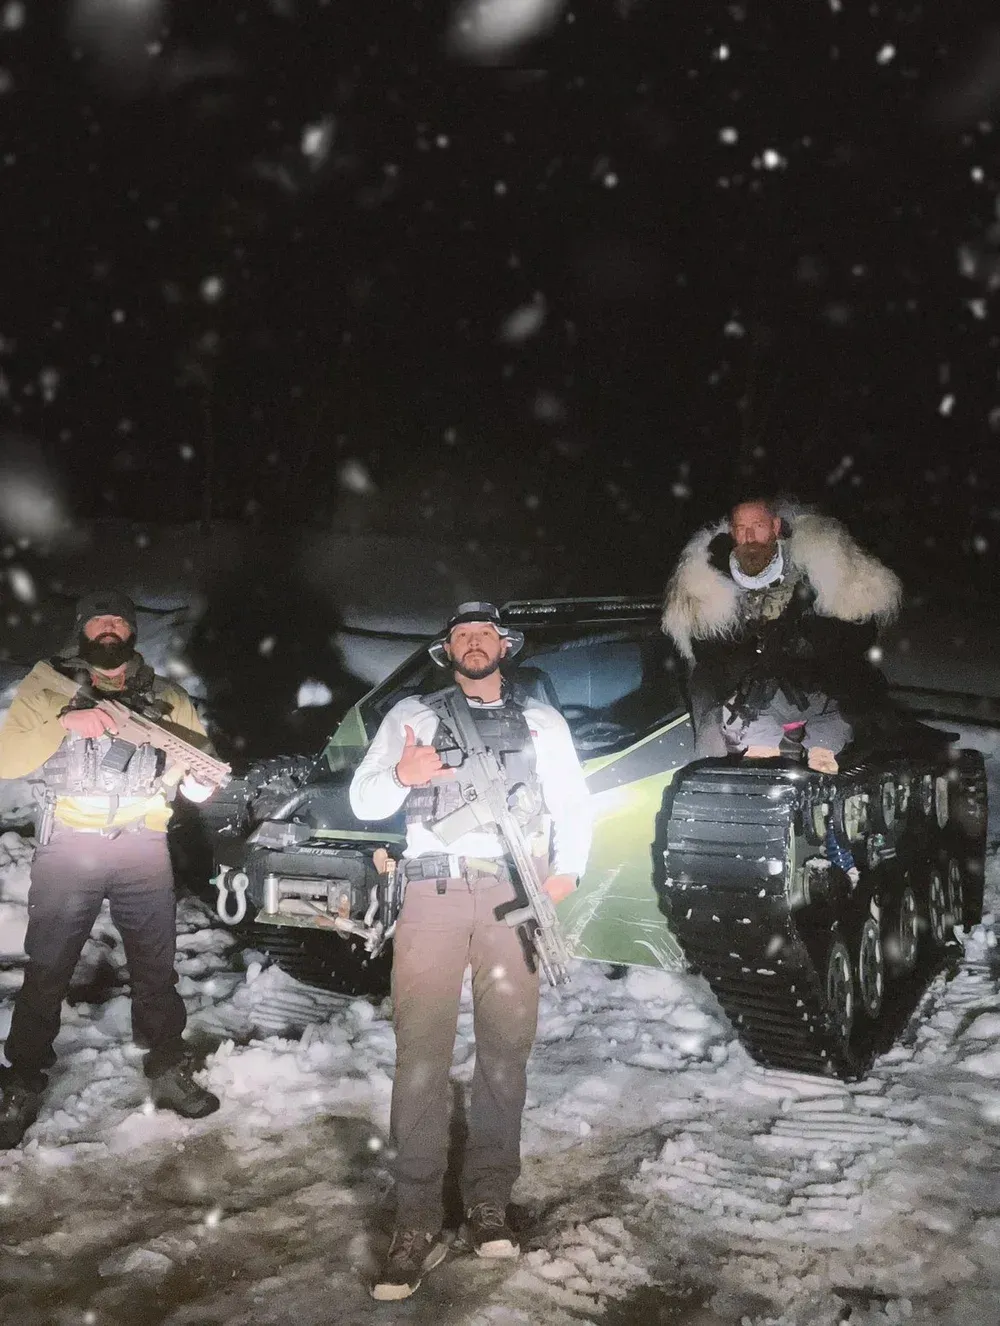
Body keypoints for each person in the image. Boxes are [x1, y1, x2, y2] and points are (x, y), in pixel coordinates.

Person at [350, 601, 591, 1302]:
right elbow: (366, 800)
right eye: (462, 635)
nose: (475, 643)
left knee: (505, 1051)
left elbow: (574, 803)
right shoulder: (412, 718)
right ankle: (416, 1220)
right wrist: (404, 776)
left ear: (504, 646)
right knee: (420, 1053)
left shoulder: (543, 722)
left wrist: (566, 869)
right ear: (447, 649)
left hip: (512, 895)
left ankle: (489, 1199)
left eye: (486, 634)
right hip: (431, 895)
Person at [0, 590, 221, 1147]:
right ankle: (22, 1078)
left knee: (156, 967)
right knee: (48, 966)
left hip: (143, 846)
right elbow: (8, 758)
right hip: (70, 844)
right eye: (98, 621)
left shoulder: (167, 697)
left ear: (131, 633)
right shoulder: (49, 683)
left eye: (118, 622)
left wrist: (198, 784)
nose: (107, 630)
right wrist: (67, 722)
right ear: (81, 630)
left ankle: (166, 1064)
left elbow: (195, 768)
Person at [661, 500, 902, 771]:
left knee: (849, 717)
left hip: (818, 693)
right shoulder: (707, 581)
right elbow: (707, 656)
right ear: (732, 533)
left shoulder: (819, 568)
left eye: (758, 526)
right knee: (719, 729)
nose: (749, 537)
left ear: (775, 527)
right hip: (748, 701)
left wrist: (809, 644)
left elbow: (857, 637)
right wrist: (751, 654)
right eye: (741, 528)